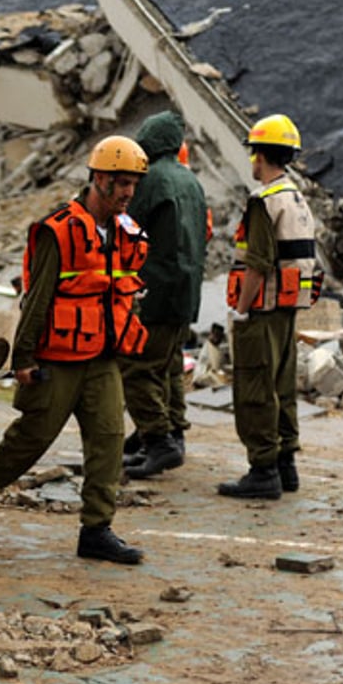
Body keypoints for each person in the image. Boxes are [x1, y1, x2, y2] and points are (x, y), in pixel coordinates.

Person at [0, 136, 151, 565]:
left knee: (108, 439)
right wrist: (23, 358)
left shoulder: (126, 233)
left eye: (133, 185)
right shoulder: (59, 231)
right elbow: (38, 298)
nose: (127, 193)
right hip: (57, 358)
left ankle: (96, 530)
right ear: (99, 178)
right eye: (121, 183)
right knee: (33, 438)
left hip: (102, 357)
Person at [220, 114, 319, 500]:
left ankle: (262, 470)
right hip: (287, 309)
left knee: (255, 388)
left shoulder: (264, 201)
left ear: (259, 155)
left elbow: (258, 264)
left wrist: (242, 310)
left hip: (261, 311)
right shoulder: (297, 199)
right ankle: (285, 464)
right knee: (282, 385)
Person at [120, 111, 209, 479]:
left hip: (154, 290)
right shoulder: (191, 181)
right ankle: (173, 432)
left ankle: (158, 442)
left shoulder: (150, 180)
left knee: (136, 368)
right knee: (170, 364)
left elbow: (127, 228)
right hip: (185, 293)